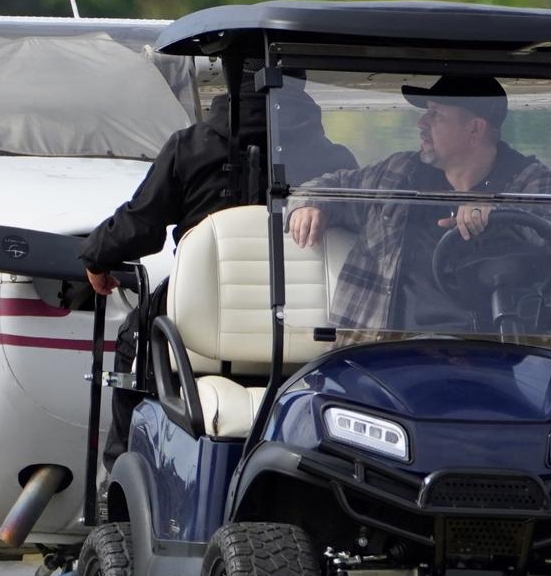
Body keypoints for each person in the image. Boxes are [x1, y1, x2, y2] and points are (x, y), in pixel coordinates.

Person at [81, 78, 355, 459]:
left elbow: (141, 226)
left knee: (135, 338)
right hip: (301, 324)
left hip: (213, 321)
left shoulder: (189, 146)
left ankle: (123, 467)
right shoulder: (335, 160)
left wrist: (97, 256)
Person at [287, 75, 551, 336]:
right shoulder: (398, 173)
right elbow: (327, 185)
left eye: (436, 115)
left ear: (475, 129)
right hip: (384, 353)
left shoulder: (539, 182)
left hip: (503, 353)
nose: (421, 123)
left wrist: (497, 217)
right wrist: (310, 204)